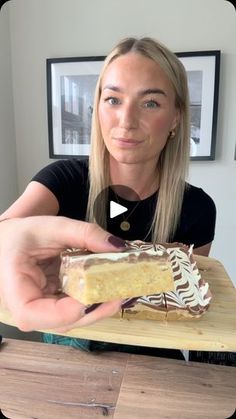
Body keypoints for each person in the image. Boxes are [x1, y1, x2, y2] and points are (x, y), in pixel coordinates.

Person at [0, 37, 216, 357]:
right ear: (98, 106)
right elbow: (8, 231)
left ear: (175, 118)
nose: (125, 122)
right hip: (67, 355)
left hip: (154, 360)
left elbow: (187, 298)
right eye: (113, 100)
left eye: (150, 103)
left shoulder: (197, 208)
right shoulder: (63, 181)